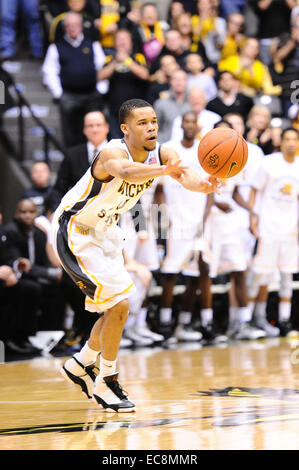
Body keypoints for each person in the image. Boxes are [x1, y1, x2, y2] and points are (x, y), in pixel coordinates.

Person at [53, 98, 220, 412]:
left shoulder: (164, 153)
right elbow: (127, 172)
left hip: (104, 231)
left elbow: (187, 179)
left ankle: (82, 363)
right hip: (74, 229)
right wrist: (163, 170)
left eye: (154, 121)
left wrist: (207, 184)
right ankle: (106, 380)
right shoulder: (111, 153)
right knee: (120, 304)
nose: (152, 127)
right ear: (125, 129)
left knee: (117, 308)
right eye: (143, 123)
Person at [248, 128, 299, 337]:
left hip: (290, 229)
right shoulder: (269, 163)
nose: (290, 143)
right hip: (268, 227)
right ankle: (248, 319)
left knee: (287, 275)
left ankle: (284, 321)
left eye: (294, 139)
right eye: (287, 139)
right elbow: (254, 189)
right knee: (261, 275)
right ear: (281, 142)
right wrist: (253, 217)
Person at [42, 12, 106, 147]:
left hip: (92, 96)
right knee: (71, 137)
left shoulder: (92, 44)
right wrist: (59, 93)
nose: (72, 28)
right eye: (69, 25)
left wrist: (101, 89)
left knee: (95, 135)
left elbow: (102, 67)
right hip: (69, 97)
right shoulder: (56, 47)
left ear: (81, 26)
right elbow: (49, 71)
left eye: (75, 25)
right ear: (64, 27)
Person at [98, 28, 150, 139]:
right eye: (119, 39)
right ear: (115, 43)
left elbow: (145, 75)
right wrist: (116, 61)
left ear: (131, 43)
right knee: (116, 142)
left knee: (136, 141)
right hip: (115, 111)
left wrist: (127, 60)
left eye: (125, 39)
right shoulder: (109, 59)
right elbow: (100, 76)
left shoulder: (138, 57)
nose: (122, 41)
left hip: (136, 111)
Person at [153, 68, 191, 143]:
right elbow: (154, 128)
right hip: (165, 146)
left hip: (188, 148)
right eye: (176, 79)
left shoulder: (192, 102)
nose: (179, 82)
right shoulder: (161, 103)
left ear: (187, 82)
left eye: (182, 79)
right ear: (170, 81)